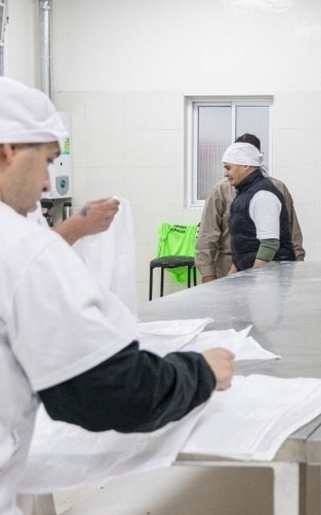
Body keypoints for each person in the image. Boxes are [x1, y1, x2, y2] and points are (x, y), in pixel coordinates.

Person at [0, 77, 235, 515]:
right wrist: (199, 371)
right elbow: (115, 393)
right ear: (8, 150)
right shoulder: (18, 247)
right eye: (48, 161)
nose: (50, 183)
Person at [196, 133, 304, 283]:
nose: (225, 173)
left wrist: (294, 267)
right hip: (233, 265)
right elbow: (207, 235)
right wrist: (211, 274)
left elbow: (279, 239)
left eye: (228, 167)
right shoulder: (228, 190)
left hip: (264, 273)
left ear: (247, 163)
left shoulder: (266, 191)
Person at [221, 142, 297, 273]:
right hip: (255, 278)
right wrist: (231, 278)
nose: (225, 174)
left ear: (245, 165)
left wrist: (254, 279)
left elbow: (269, 244)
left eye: (228, 168)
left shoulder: (263, 195)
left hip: (270, 279)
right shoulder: (246, 194)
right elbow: (244, 250)